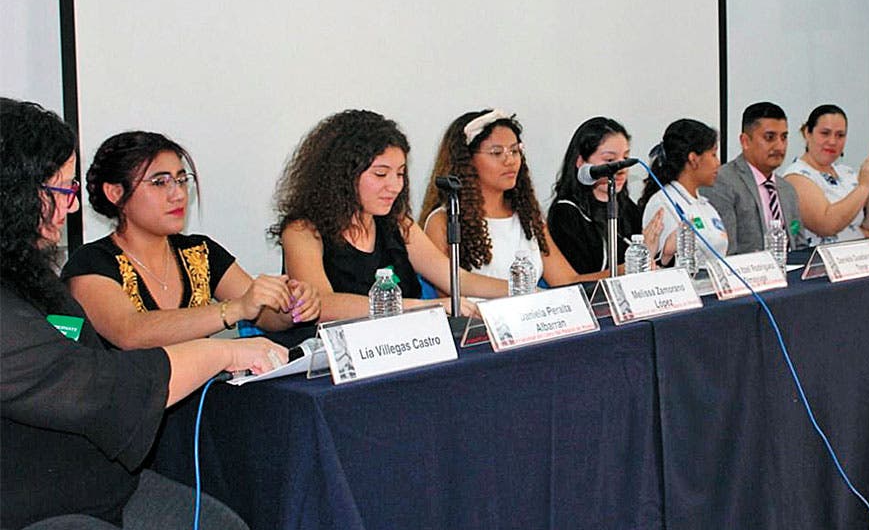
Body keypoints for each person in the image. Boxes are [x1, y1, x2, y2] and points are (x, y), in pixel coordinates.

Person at [1, 98, 286, 529]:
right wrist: (223, 352)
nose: (71, 207)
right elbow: (99, 380)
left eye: (181, 180)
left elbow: (84, 352)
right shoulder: (89, 266)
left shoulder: (34, 276)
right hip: (35, 503)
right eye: (60, 191)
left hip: (103, 484)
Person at [61, 132, 320, 349]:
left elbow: (265, 317)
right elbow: (131, 332)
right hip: (130, 396)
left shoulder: (200, 251)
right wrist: (236, 308)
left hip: (202, 394)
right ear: (115, 193)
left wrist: (291, 307)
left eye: (182, 180)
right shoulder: (91, 262)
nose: (178, 195)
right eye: (160, 182)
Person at [274, 109, 506, 322]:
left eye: (400, 174)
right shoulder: (302, 231)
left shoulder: (399, 223)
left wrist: (518, 290)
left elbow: (457, 279)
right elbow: (322, 304)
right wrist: (425, 307)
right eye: (381, 174)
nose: (395, 186)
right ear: (343, 176)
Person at [420, 109, 612, 286]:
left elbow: (567, 281)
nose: (510, 160)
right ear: (467, 161)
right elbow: (451, 294)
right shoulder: (443, 221)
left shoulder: (528, 217)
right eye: (496, 153)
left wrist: (621, 271)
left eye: (514, 150)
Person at [547, 117, 664, 273]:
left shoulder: (626, 207)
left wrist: (664, 254)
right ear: (581, 163)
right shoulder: (566, 213)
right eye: (610, 160)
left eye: (625, 158)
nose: (621, 168)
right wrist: (633, 265)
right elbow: (578, 279)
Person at [782, 104, 869, 246]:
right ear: (807, 133)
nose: (832, 141)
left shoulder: (846, 172)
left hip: (858, 254)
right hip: (820, 257)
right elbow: (826, 226)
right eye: (825, 133)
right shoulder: (796, 176)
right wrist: (864, 186)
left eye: (840, 135)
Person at [702, 102, 803, 255]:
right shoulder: (721, 182)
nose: (780, 146)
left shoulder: (787, 190)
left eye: (784, 137)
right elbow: (726, 251)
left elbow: (800, 247)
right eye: (770, 137)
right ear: (745, 141)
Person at [639, 118, 728, 265]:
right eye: (713, 155)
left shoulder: (706, 206)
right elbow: (661, 264)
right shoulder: (664, 203)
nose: (718, 163)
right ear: (693, 159)